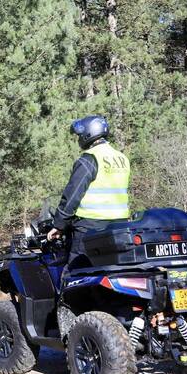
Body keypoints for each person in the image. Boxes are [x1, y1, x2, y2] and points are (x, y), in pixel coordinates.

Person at [47, 115, 131, 268]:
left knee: (75, 273)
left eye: (79, 135)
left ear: (88, 134)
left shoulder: (89, 159)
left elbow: (72, 195)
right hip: (120, 226)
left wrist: (59, 225)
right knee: (113, 270)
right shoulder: (122, 158)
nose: (79, 139)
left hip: (90, 228)